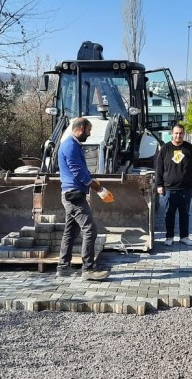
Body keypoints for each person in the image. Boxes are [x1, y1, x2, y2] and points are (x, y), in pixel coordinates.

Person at [57, 117, 111, 280]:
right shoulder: (70, 145)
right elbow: (77, 171)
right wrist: (97, 187)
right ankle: (88, 269)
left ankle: (63, 267)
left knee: (70, 231)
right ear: (80, 129)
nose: (89, 134)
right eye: (88, 131)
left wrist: (93, 181)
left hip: (71, 193)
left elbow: (81, 170)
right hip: (73, 195)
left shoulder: (70, 144)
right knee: (90, 229)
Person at [155, 124, 192, 246]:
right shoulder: (165, 148)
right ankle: (169, 237)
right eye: (176, 133)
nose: (178, 135)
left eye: (181, 133)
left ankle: (184, 237)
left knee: (184, 214)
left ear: (184, 134)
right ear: (172, 133)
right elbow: (159, 168)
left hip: (186, 189)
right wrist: (159, 184)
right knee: (169, 214)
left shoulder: (189, 148)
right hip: (169, 189)